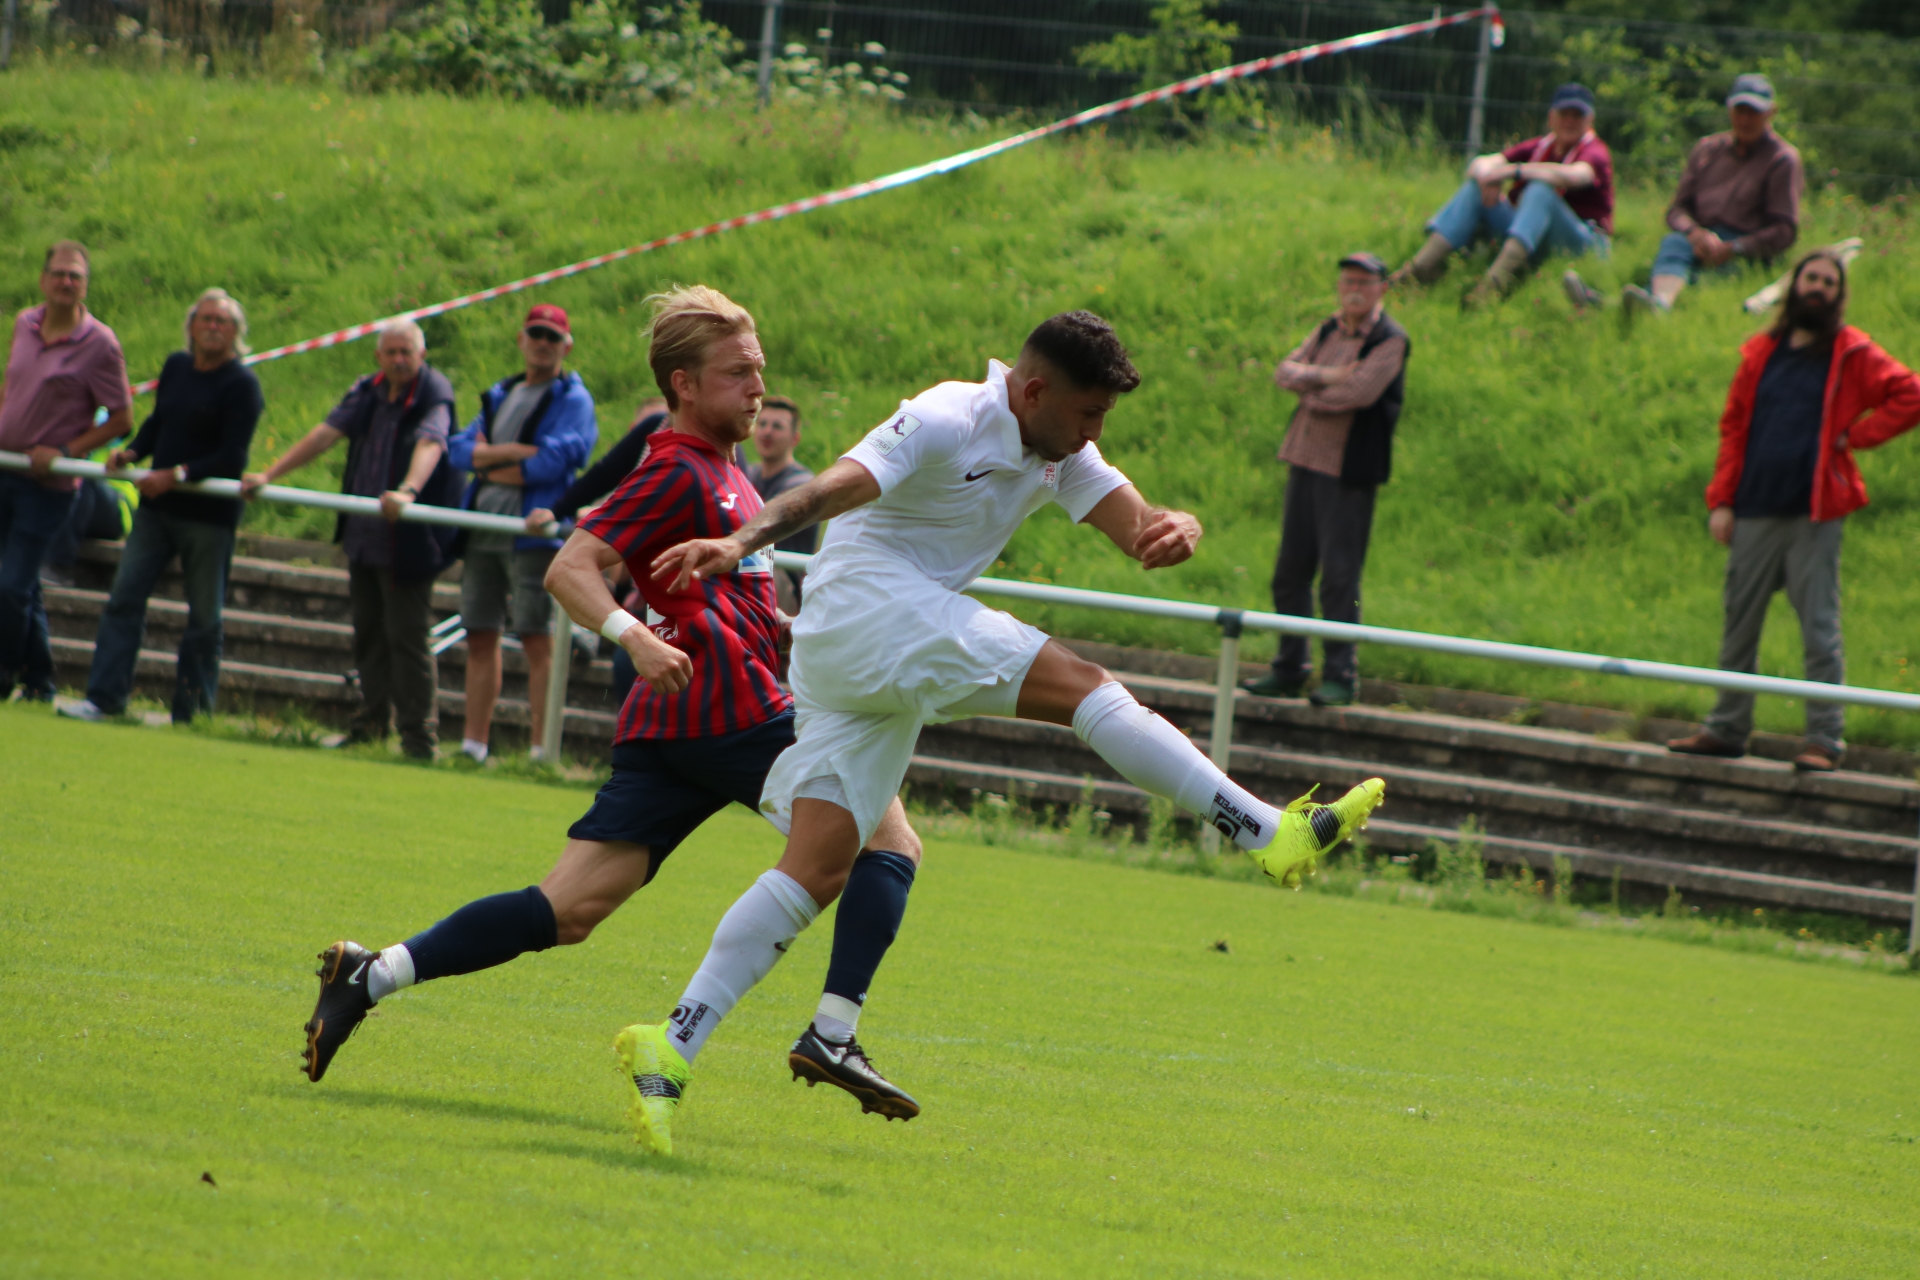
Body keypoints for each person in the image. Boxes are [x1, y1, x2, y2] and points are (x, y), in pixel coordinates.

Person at [627, 310, 1388, 1154]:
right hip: (867, 611)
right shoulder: (949, 415)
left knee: (819, 866)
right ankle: (1267, 833)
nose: (1096, 432)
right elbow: (829, 487)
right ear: (1032, 391)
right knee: (1084, 687)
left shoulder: (1060, 446)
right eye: (1089, 413)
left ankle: (674, 1044)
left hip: (861, 655)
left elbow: (1140, 528)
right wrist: (741, 538)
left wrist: (1178, 528)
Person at [300, 288, 928, 1152]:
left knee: (566, 910)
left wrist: (779, 625)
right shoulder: (676, 466)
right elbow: (571, 568)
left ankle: (370, 975)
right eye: (737, 373)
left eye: (759, 370)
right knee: (886, 842)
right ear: (683, 384)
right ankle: (829, 1032)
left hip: (676, 724)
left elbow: (712, 592)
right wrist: (634, 635)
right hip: (730, 711)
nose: (757, 387)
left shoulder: (730, 473)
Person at [1667, 250, 1920, 771]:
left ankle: (1824, 738)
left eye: (1829, 282)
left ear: (1839, 294)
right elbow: (1733, 428)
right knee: (1739, 623)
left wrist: (1857, 437)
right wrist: (1722, 501)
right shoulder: (1761, 352)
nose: (1818, 288)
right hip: (1754, 507)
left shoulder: (1852, 351)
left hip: (1815, 513)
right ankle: (1726, 727)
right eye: (1811, 278)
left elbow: (1910, 393)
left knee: (1819, 628)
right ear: (1794, 285)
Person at [243, 321, 456, 759]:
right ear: (378, 357)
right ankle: (371, 726)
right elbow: (326, 433)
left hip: (408, 542)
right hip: (362, 536)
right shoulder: (367, 390)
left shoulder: (434, 392)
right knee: (368, 634)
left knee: (408, 638)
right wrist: (270, 474)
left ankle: (419, 740)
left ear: (422, 355)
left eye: (406, 352)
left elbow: (432, 442)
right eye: (391, 352)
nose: (399, 360)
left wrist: (408, 491)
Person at [60, 289, 264, 724]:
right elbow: (158, 423)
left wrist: (178, 474)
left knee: (204, 618)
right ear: (191, 326)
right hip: (156, 510)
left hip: (207, 519)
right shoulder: (176, 367)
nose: (213, 327)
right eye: (206, 319)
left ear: (236, 332)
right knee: (124, 598)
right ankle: (105, 698)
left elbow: (232, 456)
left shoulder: (243, 385)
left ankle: (192, 714)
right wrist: (132, 453)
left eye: (222, 321)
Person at [1243, 253, 1409, 707]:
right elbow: (1285, 372)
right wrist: (1328, 376)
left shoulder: (1390, 339)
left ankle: (1340, 675)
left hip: (1348, 472)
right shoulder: (1327, 329)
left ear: (1382, 289)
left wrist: (1311, 390)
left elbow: (1360, 392)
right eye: (1347, 281)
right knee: (1289, 572)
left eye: (1364, 282)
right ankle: (1290, 667)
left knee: (1339, 577)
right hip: (1303, 460)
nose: (1353, 289)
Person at [445, 305, 597, 764]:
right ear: (521, 338)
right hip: (483, 530)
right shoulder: (502, 391)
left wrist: (489, 461)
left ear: (566, 345)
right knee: (479, 634)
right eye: (536, 334)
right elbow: (458, 450)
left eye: (552, 336)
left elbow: (557, 461)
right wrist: (515, 453)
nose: (543, 343)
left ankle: (540, 752)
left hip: (533, 537)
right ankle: (473, 745)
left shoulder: (573, 398)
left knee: (537, 639)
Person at [0, 241, 133, 701]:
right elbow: (13, 386)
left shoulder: (100, 344)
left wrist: (63, 451)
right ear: (43, 279)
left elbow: (121, 419)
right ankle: (40, 680)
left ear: (85, 286)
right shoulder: (25, 324)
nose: (66, 282)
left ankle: (4, 672)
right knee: (22, 587)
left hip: (47, 486)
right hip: (5, 470)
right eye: (59, 273)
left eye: (75, 276)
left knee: (11, 585)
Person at [1573, 74, 1804, 316]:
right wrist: (1695, 233)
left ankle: (1616, 306)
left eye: (1754, 112)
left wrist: (1735, 247)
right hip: (1695, 242)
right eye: (1740, 111)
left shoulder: (1782, 159)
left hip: (1745, 250)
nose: (1745, 119)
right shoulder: (1707, 149)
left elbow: (1784, 231)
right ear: (1729, 110)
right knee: (1674, 244)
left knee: (1701, 279)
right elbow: (1677, 210)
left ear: (1771, 113)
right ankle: (1656, 304)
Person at [1392, 83, 1613, 309]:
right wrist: (1489, 178)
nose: (1570, 121)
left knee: (1540, 190)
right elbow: (1480, 164)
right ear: (1551, 118)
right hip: (1536, 237)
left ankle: (1493, 285)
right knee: (1475, 188)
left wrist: (1514, 171)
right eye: (1564, 114)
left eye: (1577, 115)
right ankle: (1419, 269)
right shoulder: (1541, 146)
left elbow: (1576, 176)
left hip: (1582, 242)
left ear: (1590, 120)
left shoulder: (1595, 151)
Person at [526, 395, 669, 708]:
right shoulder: (657, 427)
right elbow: (607, 470)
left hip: (684, 594)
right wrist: (559, 509)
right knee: (627, 667)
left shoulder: (722, 455)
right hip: (644, 587)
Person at [743, 394, 817, 613]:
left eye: (777, 426)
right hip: (747, 570)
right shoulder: (747, 474)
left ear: (795, 438)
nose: (767, 432)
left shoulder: (802, 484)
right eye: (762, 424)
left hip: (785, 585)